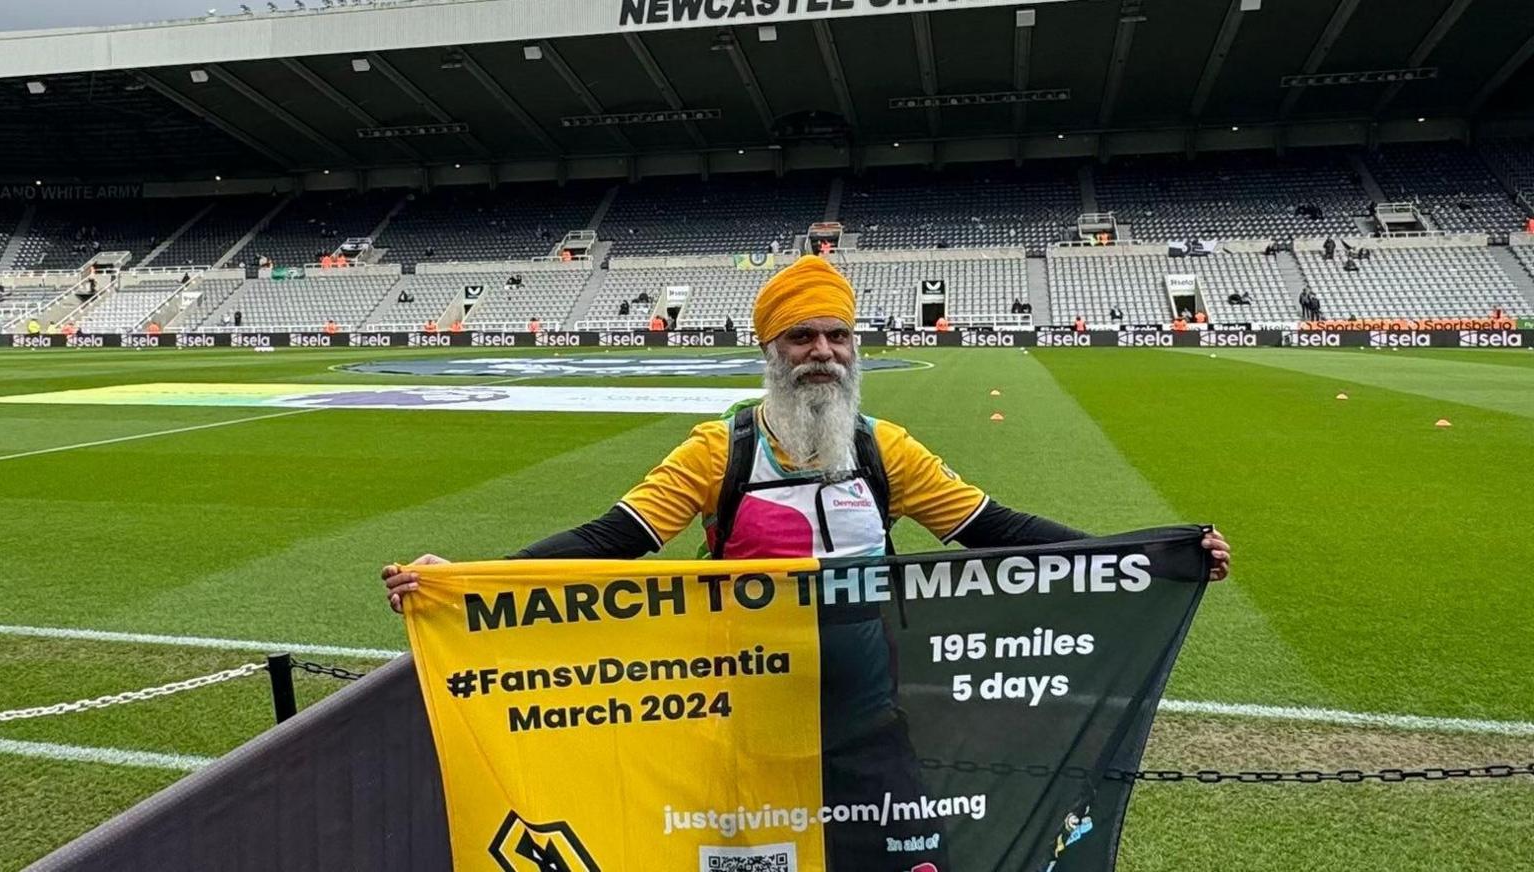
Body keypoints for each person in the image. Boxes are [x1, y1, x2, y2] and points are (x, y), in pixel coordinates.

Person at [382, 255, 1231, 868]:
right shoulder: (718, 450)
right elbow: (615, 539)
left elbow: (992, 529)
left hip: (869, 709)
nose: (823, 351)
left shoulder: (883, 447)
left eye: (837, 335)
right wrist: (464, 582)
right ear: (770, 350)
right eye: (801, 337)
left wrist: (1149, 558)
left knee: (908, 860)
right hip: (745, 711)